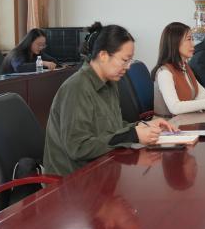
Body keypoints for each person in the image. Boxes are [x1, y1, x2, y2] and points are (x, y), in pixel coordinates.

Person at [44, 22, 174, 176]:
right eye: (125, 60)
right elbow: (78, 147)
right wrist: (133, 135)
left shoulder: (110, 83)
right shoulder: (77, 87)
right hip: (74, 179)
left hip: (103, 167)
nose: (128, 66)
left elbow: (113, 127)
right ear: (103, 56)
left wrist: (144, 125)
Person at [151, 22, 205, 116]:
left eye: (192, 39)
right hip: (168, 123)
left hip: (185, 120)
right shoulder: (164, 73)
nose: (193, 44)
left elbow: (202, 95)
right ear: (175, 42)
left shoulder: (185, 67)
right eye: (189, 39)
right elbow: (175, 108)